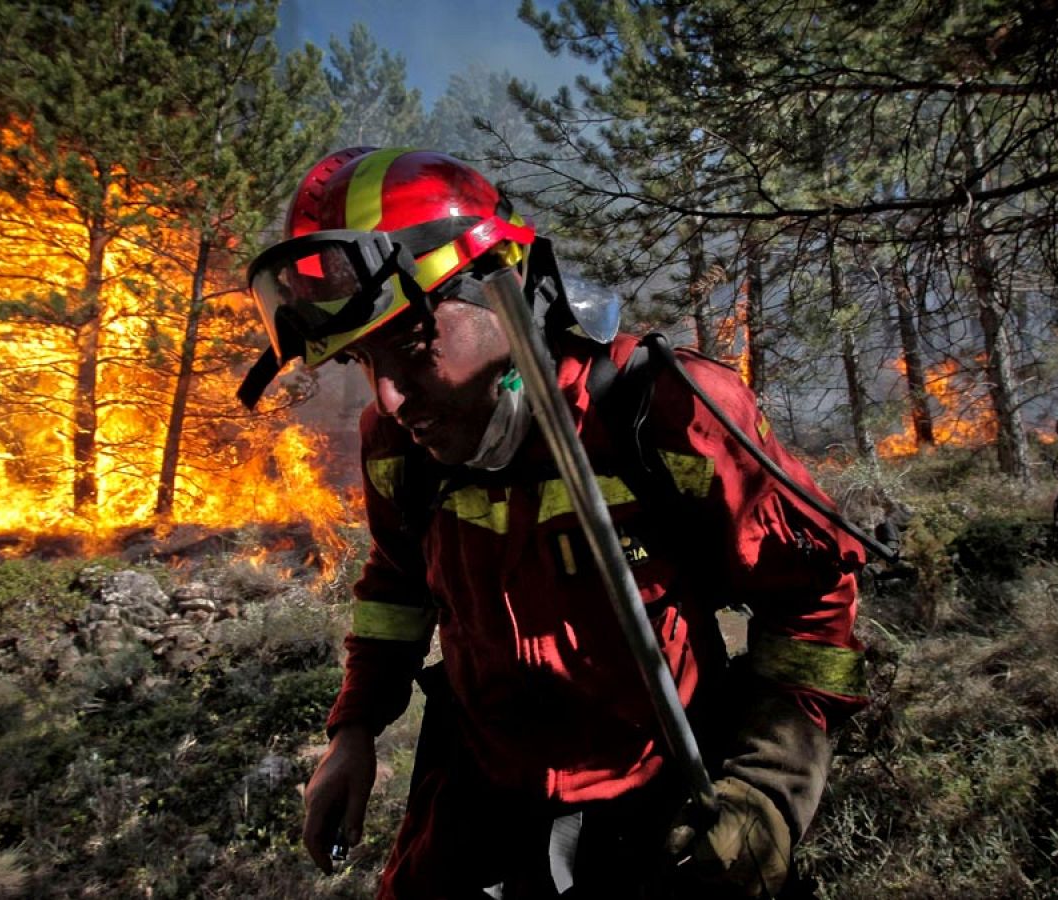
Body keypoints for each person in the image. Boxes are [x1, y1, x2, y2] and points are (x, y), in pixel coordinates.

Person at [240, 147, 868, 899]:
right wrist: (355, 732)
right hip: (481, 802)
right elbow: (399, 587)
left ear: (499, 286)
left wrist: (767, 792)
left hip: (665, 796)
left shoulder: (664, 409)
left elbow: (812, 598)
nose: (393, 401)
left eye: (410, 343)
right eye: (362, 362)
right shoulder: (400, 447)